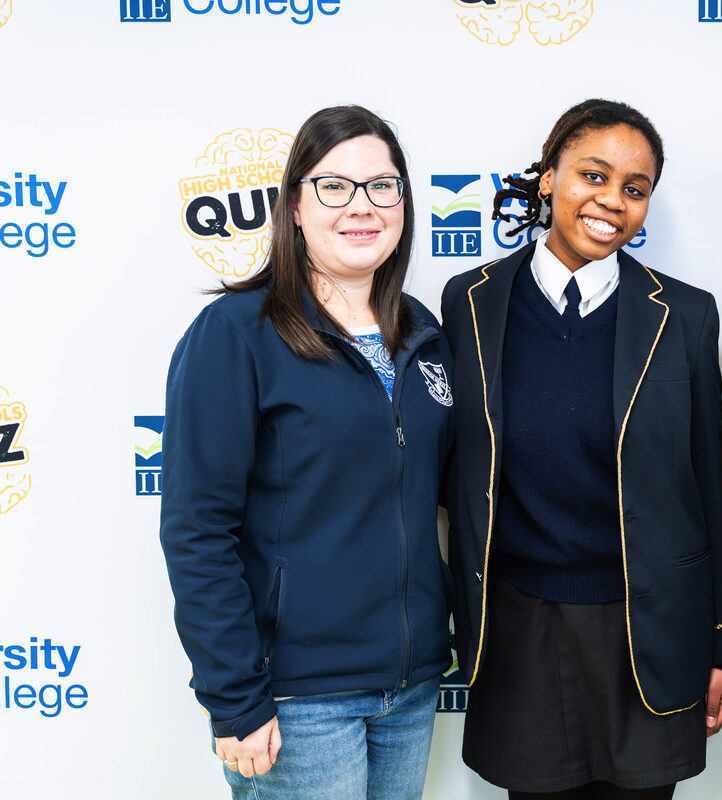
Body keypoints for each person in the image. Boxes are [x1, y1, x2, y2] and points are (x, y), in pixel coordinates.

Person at [440, 98, 722, 800]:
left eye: (635, 190)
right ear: (549, 177)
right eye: (593, 175)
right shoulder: (468, 302)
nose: (612, 201)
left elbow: (711, 481)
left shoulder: (686, 315)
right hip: (519, 630)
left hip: (648, 629)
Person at [160, 105, 454, 800]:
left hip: (410, 689)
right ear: (295, 204)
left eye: (382, 186)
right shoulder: (235, 334)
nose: (362, 206)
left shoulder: (424, 334)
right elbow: (197, 530)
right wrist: (235, 696)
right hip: (297, 700)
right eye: (335, 186)